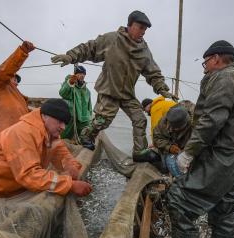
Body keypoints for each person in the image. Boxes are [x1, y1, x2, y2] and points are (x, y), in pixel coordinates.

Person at [166, 40, 234, 238]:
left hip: (226, 155)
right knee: (225, 203)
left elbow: (211, 119)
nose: (205, 66)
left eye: (205, 61)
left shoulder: (226, 76)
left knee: (179, 199)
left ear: (216, 58)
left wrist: (189, 153)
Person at [51, 10, 176, 161]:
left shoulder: (144, 50)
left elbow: (153, 72)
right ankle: (86, 135)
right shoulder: (113, 39)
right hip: (109, 89)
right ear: (129, 25)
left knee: (140, 119)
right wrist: (70, 56)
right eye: (140, 27)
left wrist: (163, 89)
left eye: (145, 29)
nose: (143, 31)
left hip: (127, 94)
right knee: (102, 121)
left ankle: (139, 151)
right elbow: (90, 48)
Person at [0, 98, 92, 198]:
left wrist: (75, 171)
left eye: (65, 123)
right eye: (60, 121)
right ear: (45, 116)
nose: (63, 127)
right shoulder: (23, 133)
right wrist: (70, 185)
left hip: (8, 187)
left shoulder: (51, 137)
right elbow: (29, 175)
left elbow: (63, 157)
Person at [0, 41, 35, 137]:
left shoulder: (15, 93)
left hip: (20, 133)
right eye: (14, 77)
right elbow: (6, 69)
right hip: (7, 135)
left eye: (17, 79)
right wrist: (22, 52)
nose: (16, 80)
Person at [152, 105, 192, 178]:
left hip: (189, 149)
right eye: (174, 128)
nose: (175, 130)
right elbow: (156, 139)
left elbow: (201, 140)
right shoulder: (163, 123)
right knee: (167, 165)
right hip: (170, 150)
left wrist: (188, 151)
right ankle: (178, 179)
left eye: (178, 128)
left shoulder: (196, 123)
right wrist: (169, 147)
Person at [58, 65, 92, 141]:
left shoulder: (87, 91)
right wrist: (70, 83)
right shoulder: (70, 84)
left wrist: (89, 117)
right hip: (70, 117)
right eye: (79, 73)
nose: (82, 75)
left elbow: (89, 106)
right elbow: (62, 93)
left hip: (83, 119)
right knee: (63, 137)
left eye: (83, 74)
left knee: (84, 138)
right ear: (75, 74)